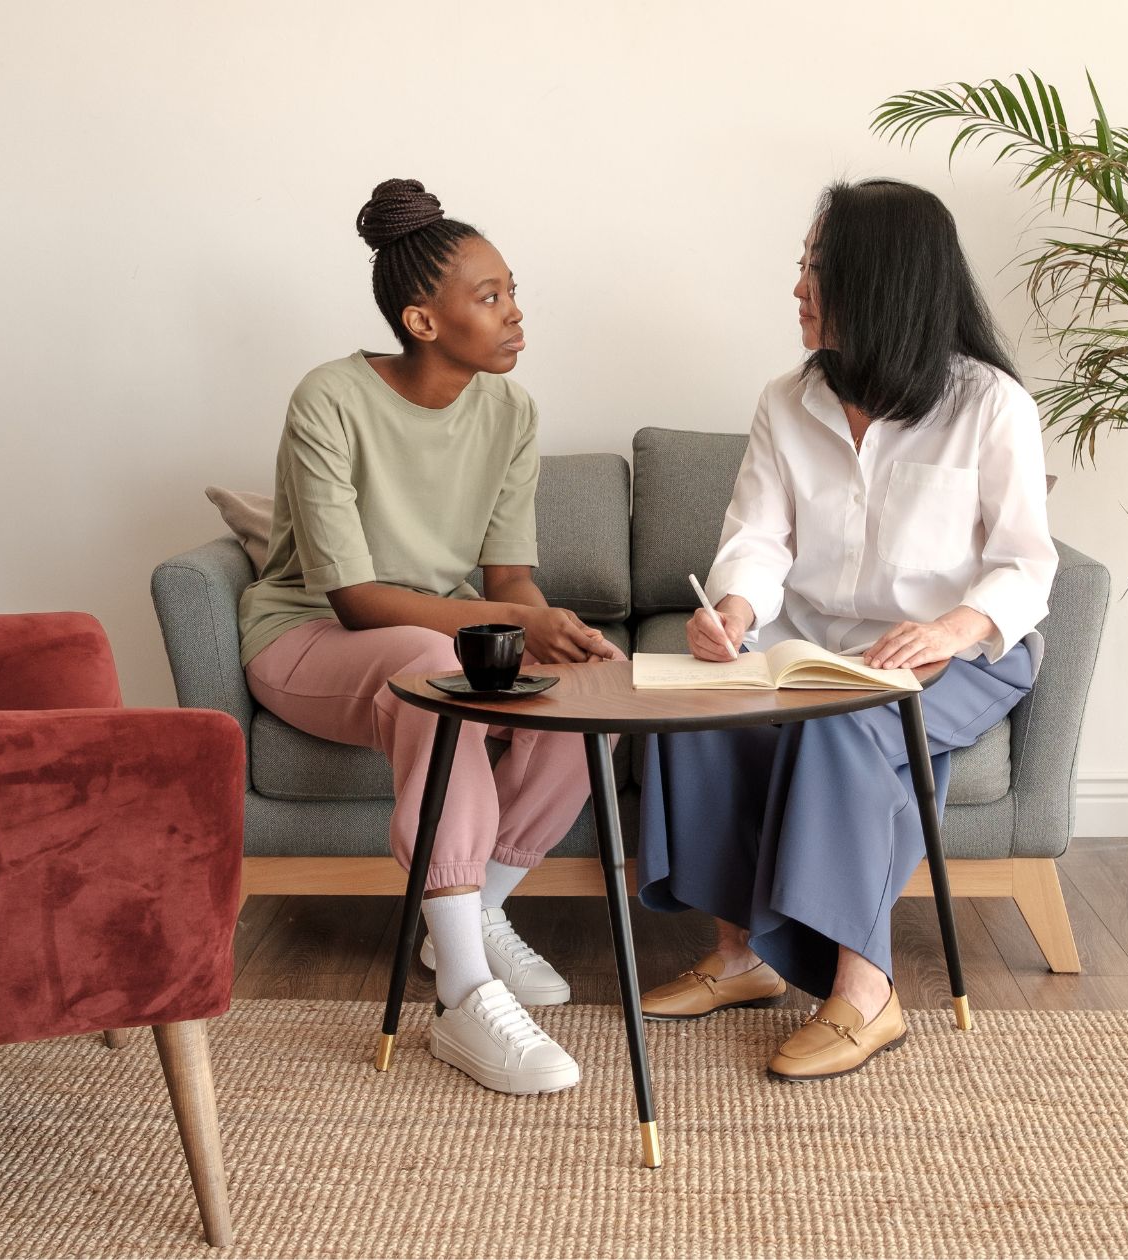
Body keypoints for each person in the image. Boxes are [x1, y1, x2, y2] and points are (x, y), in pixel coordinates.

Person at [635, 179, 1058, 1081]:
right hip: (816, 642)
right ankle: (740, 956)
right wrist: (735, 612)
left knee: (843, 726)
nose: (798, 287)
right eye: (802, 265)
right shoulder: (785, 401)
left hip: (964, 652)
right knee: (697, 705)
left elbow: (1026, 563)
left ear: (880, 280)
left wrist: (949, 629)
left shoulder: (990, 405)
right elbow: (758, 538)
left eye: (817, 269)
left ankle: (867, 992)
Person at [239, 179, 621, 1097]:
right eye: (489, 297)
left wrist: (549, 634)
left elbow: (506, 582)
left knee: (587, 693)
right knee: (432, 671)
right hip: (310, 638)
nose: (514, 312)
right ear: (422, 320)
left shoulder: (511, 413)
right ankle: (463, 997)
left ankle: (468, 918)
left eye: (512, 291)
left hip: (449, 636)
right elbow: (356, 600)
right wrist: (514, 624)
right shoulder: (329, 398)